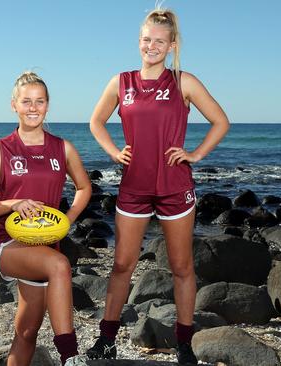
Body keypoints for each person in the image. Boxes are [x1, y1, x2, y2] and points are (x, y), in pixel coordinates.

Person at [86, 8, 230, 365]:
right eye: (147, 40)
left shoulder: (183, 81)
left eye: (159, 41)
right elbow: (95, 122)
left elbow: (221, 121)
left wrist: (194, 154)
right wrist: (114, 152)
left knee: (181, 267)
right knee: (121, 265)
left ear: (171, 45)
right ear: (139, 42)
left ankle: (183, 342)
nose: (152, 46)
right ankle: (107, 340)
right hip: (134, 186)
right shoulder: (121, 82)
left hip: (174, 187)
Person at [0, 71, 92, 366]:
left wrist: (68, 219)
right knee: (60, 265)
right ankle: (70, 356)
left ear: (47, 105)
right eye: (26, 101)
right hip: (9, 245)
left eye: (39, 101)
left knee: (27, 332)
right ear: (13, 104)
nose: (33, 107)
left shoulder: (62, 147)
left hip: (45, 245)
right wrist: (14, 203)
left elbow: (84, 187)